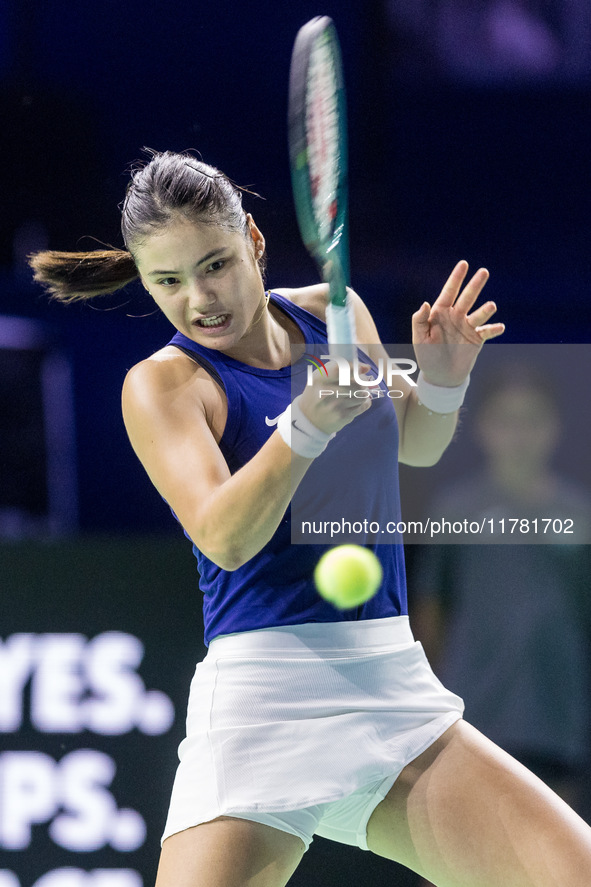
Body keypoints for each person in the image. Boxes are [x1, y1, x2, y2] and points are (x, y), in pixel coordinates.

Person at [29, 150, 591, 887]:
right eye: (167, 280)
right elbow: (224, 536)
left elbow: (413, 445)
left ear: (254, 243)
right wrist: (303, 427)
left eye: (215, 264)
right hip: (266, 707)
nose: (199, 297)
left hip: (393, 693)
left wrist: (446, 381)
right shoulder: (164, 386)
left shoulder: (336, 312)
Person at [410, 367, 591, 815]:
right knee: (450, 867)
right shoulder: (456, 508)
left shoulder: (579, 513)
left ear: (554, 429)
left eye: (532, 420)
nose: (519, 434)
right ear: (485, 428)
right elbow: (431, 612)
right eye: (506, 421)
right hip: (471, 719)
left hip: (557, 724)